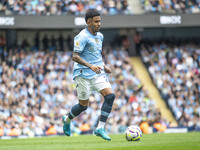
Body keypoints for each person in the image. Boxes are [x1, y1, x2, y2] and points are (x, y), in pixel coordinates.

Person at [62, 9, 115, 141]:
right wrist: (91, 66)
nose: (99, 24)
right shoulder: (82, 37)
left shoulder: (100, 36)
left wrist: (103, 66)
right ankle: (67, 120)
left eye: (100, 21)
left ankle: (100, 128)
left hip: (97, 72)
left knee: (110, 96)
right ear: (88, 22)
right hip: (82, 74)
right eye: (96, 22)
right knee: (83, 106)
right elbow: (75, 56)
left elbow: (96, 55)